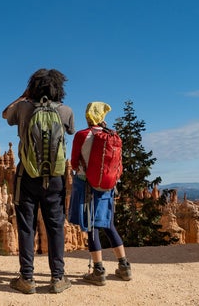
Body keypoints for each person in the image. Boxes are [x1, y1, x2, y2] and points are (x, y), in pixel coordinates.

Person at [2, 68, 75, 294]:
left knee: (26, 227)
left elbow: (6, 114)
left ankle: (27, 279)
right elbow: (71, 130)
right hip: (55, 178)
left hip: (27, 175)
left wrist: (24, 96)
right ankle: (58, 278)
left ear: (33, 87)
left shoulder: (24, 108)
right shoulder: (65, 110)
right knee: (55, 227)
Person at [68, 101, 132, 285]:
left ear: (88, 116)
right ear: (102, 116)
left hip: (86, 185)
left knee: (92, 227)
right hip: (107, 186)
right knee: (108, 224)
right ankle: (124, 266)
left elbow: (73, 162)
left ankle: (98, 271)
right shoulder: (111, 134)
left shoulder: (82, 135)